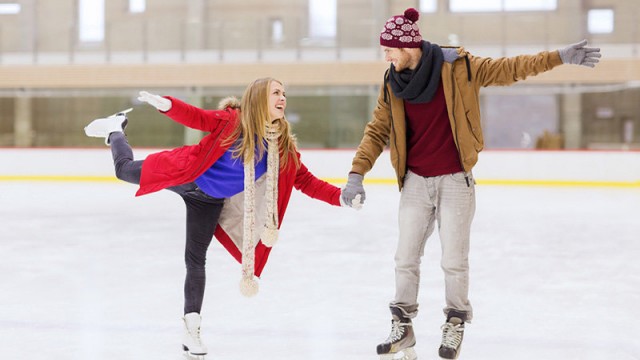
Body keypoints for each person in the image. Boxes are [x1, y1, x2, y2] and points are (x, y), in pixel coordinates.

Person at [340, 8, 601, 360]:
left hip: (455, 180)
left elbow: (510, 69)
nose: (385, 56)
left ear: (409, 46)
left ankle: (455, 322)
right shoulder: (392, 82)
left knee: (454, 260)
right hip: (415, 181)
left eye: (389, 49)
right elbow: (377, 130)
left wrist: (558, 57)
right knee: (405, 257)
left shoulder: (458, 67)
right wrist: (357, 173)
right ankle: (403, 325)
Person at [84, 77, 362, 359]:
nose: (283, 98)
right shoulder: (232, 121)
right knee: (124, 170)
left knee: (195, 259)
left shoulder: (282, 149)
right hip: (186, 173)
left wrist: (341, 197)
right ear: (258, 98)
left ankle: (191, 328)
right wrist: (167, 105)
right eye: (276, 92)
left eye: (284, 94)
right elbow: (197, 118)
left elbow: (308, 182)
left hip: (208, 201)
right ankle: (115, 130)